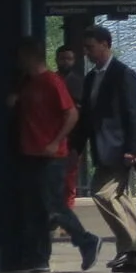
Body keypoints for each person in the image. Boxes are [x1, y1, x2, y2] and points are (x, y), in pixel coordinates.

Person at [10, 38, 102, 273]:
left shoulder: (52, 82)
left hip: (50, 155)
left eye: (22, 56)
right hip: (31, 152)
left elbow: (71, 114)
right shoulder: (27, 83)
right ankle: (40, 258)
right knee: (35, 208)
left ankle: (86, 240)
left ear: (31, 56)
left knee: (53, 205)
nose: (19, 61)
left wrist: (55, 141)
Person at [79, 26, 136, 273]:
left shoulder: (123, 75)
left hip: (120, 149)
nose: (87, 53)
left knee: (102, 192)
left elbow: (135, 113)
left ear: (106, 44)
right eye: (85, 48)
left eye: (91, 47)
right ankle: (133, 255)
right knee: (121, 197)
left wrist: (133, 148)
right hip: (102, 148)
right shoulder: (91, 79)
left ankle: (130, 247)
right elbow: (86, 119)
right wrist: (75, 149)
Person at [54, 44, 86, 209]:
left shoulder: (77, 83)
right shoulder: (52, 81)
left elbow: (81, 116)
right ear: (57, 60)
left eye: (69, 58)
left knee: (68, 179)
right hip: (53, 137)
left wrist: (77, 144)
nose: (66, 62)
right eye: (63, 58)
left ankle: (66, 212)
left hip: (70, 139)